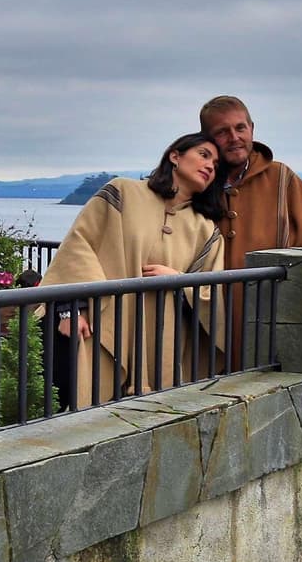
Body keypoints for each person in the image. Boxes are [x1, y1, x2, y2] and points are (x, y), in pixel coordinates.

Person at [38, 133, 228, 408]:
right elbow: (79, 245)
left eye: (216, 164)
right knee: (82, 408)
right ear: (175, 156)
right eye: (203, 154)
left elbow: (212, 294)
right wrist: (71, 309)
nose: (211, 166)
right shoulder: (123, 193)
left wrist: (179, 281)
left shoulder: (206, 229)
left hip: (159, 340)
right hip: (98, 325)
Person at [199, 95, 302, 257]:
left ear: (252, 129)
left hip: (275, 283)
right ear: (205, 138)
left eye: (240, 128)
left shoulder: (282, 179)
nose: (234, 138)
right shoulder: (196, 183)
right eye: (222, 132)